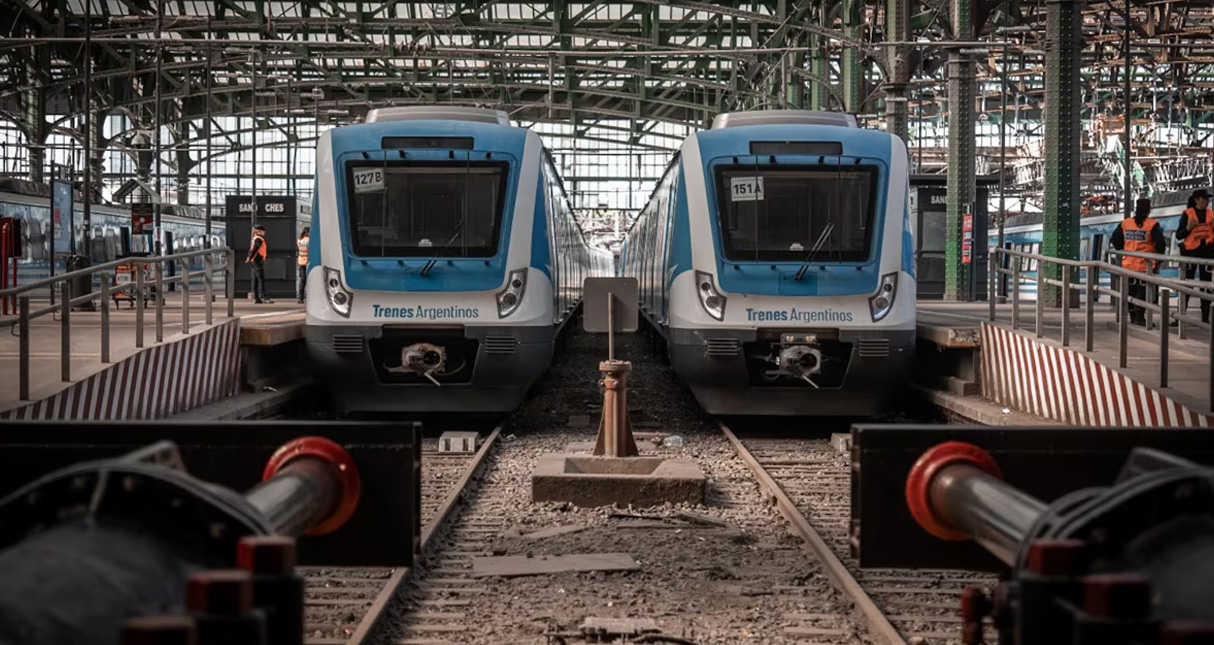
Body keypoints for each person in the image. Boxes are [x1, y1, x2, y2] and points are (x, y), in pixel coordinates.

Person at [1110, 198, 1165, 326]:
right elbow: (1161, 244)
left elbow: (1115, 239)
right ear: (1149, 210)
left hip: (1128, 264)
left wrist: (1123, 250)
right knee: (1143, 292)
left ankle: (1133, 315)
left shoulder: (1126, 223)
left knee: (1130, 291)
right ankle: (1140, 317)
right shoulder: (1152, 224)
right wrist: (1158, 258)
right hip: (1145, 265)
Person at [1176, 188, 1214, 322]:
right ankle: (1180, 315)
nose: (1207, 202)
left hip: (1208, 254)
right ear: (1197, 200)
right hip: (1191, 253)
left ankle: (1205, 316)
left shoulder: (1211, 214)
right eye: (1205, 199)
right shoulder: (1187, 214)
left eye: (1208, 200)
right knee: (1187, 285)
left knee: (1206, 286)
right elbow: (1178, 235)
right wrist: (1188, 228)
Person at [246, 225, 272, 304]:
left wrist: (249, 258)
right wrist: (250, 257)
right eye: (263, 231)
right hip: (257, 260)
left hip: (254, 260)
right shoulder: (258, 239)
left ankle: (257, 298)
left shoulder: (254, 238)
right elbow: (254, 249)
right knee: (261, 279)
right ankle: (263, 296)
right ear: (258, 231)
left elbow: (251, 249)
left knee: (255, 280)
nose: (264, 232)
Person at [296, 226, 310, 304]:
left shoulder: (299, 240)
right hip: (309, 262)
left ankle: (300, 298)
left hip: (301, 262)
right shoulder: (309, 240)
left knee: (302, 281)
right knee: (311, 281)